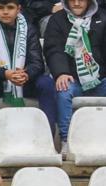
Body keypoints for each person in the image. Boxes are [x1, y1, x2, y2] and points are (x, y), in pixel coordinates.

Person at [0, 0, 56, 133]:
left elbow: (37, 63)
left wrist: (27, 74)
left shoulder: (29, 28)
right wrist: (5, 73)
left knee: (46, 83)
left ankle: (49, 135)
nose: (5, 12)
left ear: (18, 9)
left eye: (10, 7)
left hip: (24, 80)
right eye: (1, 8)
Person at [44, 0, 106, 156]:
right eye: (72, 0)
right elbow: (54, 50)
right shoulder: (57, 20)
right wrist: (61, 72)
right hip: (72, 78)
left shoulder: (102, 18)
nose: (77, 3)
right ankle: (66, 141)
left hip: (100, 78)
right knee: (63, 89)